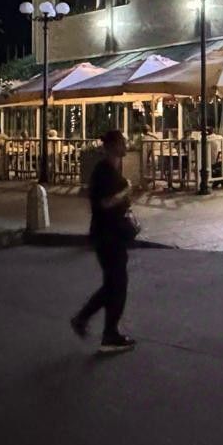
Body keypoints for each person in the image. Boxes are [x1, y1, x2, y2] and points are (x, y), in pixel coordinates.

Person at [71, 130, 137, 352]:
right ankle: (108, 333)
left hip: (112, 233)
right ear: (112, 146)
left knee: (113, 284)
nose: (125, 145)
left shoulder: (112, 168)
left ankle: (90, 322)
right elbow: (105, 202)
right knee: (117, 285)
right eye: (121, 142)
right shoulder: (103, 171)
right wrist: (126, 190)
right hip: (107, 234)